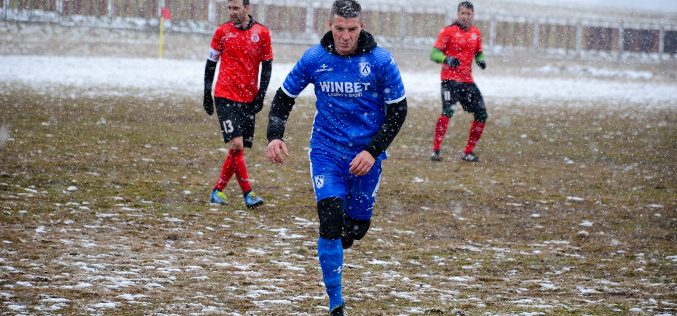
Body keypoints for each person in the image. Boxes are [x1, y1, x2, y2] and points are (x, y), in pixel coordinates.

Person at [265, 0, 407, 314]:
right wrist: (275, 135)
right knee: (329, 220)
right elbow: (284, 98)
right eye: (339, 28)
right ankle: (336, 303)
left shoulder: (381, 61)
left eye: (351, 29)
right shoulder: (315, 58)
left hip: (366, 158)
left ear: (362, 26)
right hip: (326, 153)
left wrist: (372, 152)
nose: (345, 36)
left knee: (355, 229)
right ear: (330, 25)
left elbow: (399, 111)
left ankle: (349, 231)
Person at [202, 0, 272, 208]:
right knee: (237, 144)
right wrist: (207, 93)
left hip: (248, 99)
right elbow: (210, 64)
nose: (232, 12)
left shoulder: (262, 33)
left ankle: (217, 190)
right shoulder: (222, 32)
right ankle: (248, 194)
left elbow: (267, 67)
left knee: (237, 151)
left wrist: (260, 95)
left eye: (236, 8)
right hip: (225, 96)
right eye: (229, 8)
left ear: (247, 8)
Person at [430, 1, 488, 162]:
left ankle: (468, 152)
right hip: (449, 80)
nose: (465, 16)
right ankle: (436, 150)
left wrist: (481, 60)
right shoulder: (448, 32)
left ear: (473, 15)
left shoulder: (475, 33)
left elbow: (479, 53)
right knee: (448, 112)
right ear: (458, 14)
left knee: (482, 114)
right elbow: (434, 54)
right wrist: (446, 59)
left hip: (467, 81)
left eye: (468, 14)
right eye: (463, 13)